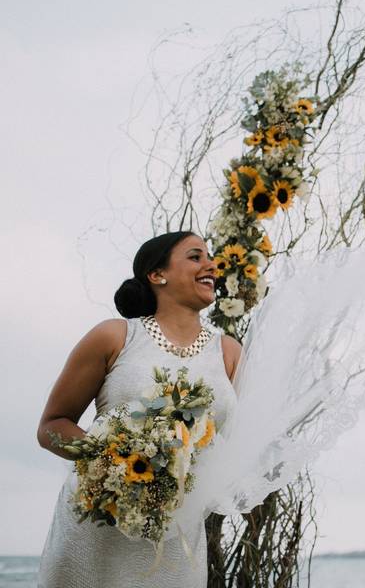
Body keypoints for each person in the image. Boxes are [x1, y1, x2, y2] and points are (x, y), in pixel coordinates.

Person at [36, 231, 240, 588]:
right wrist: (108, 463)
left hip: (176, 537)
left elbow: (239, 442)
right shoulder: (114, 337)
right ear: (157, 274)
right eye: (196, 257)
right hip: (97, 528)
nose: (211, 265)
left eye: (210, 257)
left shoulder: (228, 353)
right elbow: (53, 425)